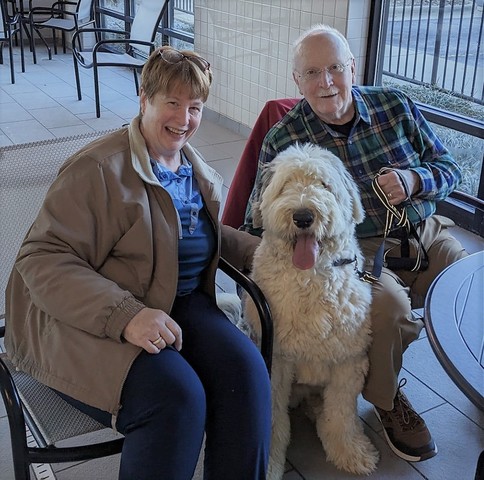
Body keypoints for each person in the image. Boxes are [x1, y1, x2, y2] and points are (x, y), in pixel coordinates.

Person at [5, 46, 271, 480]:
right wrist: (127, 315)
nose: (184, 119)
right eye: (172, 103)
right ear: (143, 98)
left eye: (195, 107)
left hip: (172, 302)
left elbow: (188, 235)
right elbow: (42, 259)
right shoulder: (98, 169)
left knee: (247, 377)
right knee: (177, 398)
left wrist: (266, 253)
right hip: (88, 316)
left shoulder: (191, 168)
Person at [242, 24, 467, 463]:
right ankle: (386, 399)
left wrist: (415, 178)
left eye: (334, 69)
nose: (326, 82)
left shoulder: (394, 104)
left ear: (352, 67)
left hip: (423, 229)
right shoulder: (285, 137)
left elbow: (450, 167)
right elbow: (259, 217)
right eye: (312, 73)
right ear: (297, 80)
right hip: (356, 248)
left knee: (465, 286)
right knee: (388, 310)